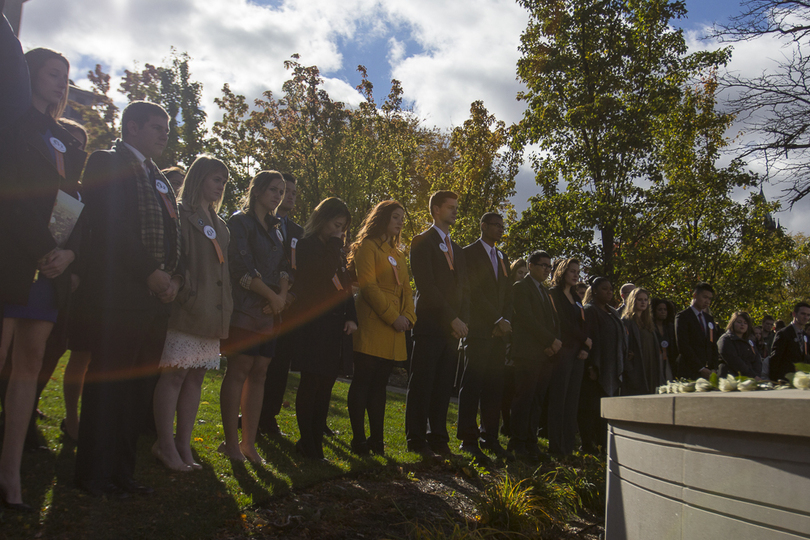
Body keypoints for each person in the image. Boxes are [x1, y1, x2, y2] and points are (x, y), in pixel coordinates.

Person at [76, 101, 181, 497]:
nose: (164, 134)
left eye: (167, 128)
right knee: (109, 387)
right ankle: (93, 474)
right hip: (118, 297)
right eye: (157, 127)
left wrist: (175, 276)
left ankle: (122, 473)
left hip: (155, 302)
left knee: (137, 390)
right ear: (131, 128)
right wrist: (150, 273)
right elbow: (110, 225)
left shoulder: (159, 178)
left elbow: (173, 233)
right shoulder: (106, 161)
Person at [0, 48, 84, 510]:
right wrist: (42, 249)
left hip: (51, 269)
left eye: (64, 77)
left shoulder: (69, 142)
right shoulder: (12, 127)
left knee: (30, 366)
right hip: (11, 260)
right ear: (29, 73)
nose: (60, 83)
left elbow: (76, 208)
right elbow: (9, 195)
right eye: (53, 74)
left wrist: (69, 253)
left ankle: (9, 473)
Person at [152, 155, 232, 471]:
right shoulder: (181, 214)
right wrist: (187, 294)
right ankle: (164, 443)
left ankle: (184, 446)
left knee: (196, 376)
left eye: (224, 182)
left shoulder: (221, 225)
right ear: (199, 179)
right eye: (216, 179)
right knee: (175, 375)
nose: (220, 186)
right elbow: (177, 257)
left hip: (212, 314)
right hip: (188, 309)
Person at [219, 171, 289, 463]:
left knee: (260, 371)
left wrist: (281, 297)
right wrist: (271, 297)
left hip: (269, 312)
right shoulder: (240, 221)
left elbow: (285, 266)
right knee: (240, 368)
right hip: (245, 308)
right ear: (257, 190)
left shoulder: (277, 227)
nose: (277, 195)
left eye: (281, 191)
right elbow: (240, 266)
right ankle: (231, 443)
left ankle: (250, 443)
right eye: (273, 189)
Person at [289, 198, 357, 460]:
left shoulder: (335, 249)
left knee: (326, 385)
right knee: (311, 383)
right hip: (312, 325)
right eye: (336, 225)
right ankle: (307, 441)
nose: (339, 231)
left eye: (343, 227)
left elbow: (345, 284)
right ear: (322, 220)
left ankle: (316, 441)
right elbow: (320, 273)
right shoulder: (307, 245)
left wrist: (352, 316)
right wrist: (335, 245)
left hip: (334, 327)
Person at [346, 200, 415, 456]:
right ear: (382, 218)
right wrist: (392, 316)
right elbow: (369, 286)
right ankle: (358, 439)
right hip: (373, 323)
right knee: (363, 381)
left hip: (394, 328)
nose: (399, 222)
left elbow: (407, 289)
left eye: (402, 218)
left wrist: (408, 316)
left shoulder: (398, 254)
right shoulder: (368, 246)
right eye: (395, 217)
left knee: (379, 386)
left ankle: (377, 440)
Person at [405, 191, 470, 457]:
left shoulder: (457, 248)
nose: (455, 211)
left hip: (453, 329)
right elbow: (426, 286)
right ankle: (417, 440)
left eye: (456, 207)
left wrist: (461, 320)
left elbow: (465, 288)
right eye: (450, 207)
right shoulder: (422, 241)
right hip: (431, 324)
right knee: (423, 383)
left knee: (444, 386)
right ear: (435, 210)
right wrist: (451, 318)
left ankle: (439, 439)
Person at [456, 212, 512, 462]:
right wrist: (495, 320)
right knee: (473, 384)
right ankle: (468, 439)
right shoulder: (468, 253)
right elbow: (473, 291)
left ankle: (489, 437)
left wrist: (506, 320)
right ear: (483, 226)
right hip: (479, 329)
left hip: (500, 334)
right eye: (496, 226)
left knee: (494, 387)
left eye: (503, 226)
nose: (501, 229)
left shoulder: (502, 256)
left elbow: (507, 293)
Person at [259, 172, 304, 438]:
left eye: (293, 193)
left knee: (279, 365)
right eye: (284, 190)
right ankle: (248, 413)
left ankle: (269, 416)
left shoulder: (299, 232)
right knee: (256, 363)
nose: (288, 196)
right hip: (261, 302)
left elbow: (299, 269)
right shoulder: (260, 223)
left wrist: (289, 297)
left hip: (288, 308)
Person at [507, 251, 560, 460]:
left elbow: (553, 321)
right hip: (528, 353)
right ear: (530, 265)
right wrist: (549, 341)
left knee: (537, 400)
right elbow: (527, 319)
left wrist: (553, 344)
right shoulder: (521, 287)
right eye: (543, 265)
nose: (547, 269)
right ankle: (517, 442)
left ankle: (531, 442)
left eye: (549, 266)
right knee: (524, 399)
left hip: (545, 355)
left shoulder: (545, 292)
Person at [547, 258, 591, 456]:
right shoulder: (554, 294)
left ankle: (568, 447)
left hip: (578, 354)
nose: (575, 275)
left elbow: (582, 322)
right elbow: (562, 322)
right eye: (572, 271)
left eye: (577, 271)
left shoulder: (576, 296)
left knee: (572, 400)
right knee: (559, 399)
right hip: (562, 352)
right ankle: (556, 447)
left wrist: (585, 346)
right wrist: (585, 338)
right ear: (562, 271)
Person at [580, 277, 625, 454]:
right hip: (596, 368)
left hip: (611, 366)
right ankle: (588, 444)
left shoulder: (611, 312)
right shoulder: (590, 310)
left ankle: (603, 443)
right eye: (604, 289)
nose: (609, 292)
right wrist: (591, 365)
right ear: (595, 290)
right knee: (590, 407)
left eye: (611, 289)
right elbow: (590, 337)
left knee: (604, 408)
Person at [500, 258, 528, 438]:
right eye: (520, 273)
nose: (523, 277)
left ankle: (511, 424)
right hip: (507, 344)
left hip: (521, 346)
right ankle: (505, 422)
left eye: (526, 274)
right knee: (506, 386)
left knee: (516, 387)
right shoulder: (507, 291)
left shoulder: (527, 293)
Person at [622, 287, 663, 394]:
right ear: (633, 301)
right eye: (640, 299)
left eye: (645, 300)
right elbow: (623, 346)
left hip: (651, 364)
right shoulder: (627, 321)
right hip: (637, 365)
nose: (643, 302)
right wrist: (629, 366)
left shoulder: (648, 321)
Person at [674, 283, 719, 380]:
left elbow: (713, 344)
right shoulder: (683, 317)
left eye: (709, 299)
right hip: (689, 369)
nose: (707, 301)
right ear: (695, 295)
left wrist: (714, 367)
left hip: (708, 371)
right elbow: (683, 345)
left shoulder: (709, 319)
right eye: (705, 297)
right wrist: (700, 368)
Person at [768, 302, 810, 381]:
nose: (806, 317)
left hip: (801, 380)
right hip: (785, 379)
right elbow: (775, 359)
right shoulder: (783, 334)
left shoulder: (805, 335)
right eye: (803, 314)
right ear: (794, 314)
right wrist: (774, 380)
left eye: (808, 315)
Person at [717, 311, 762, 379]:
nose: (742, 325)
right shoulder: (725, 340)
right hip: (730, 379)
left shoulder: (749, 341)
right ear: (732, 323)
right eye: (739, 322)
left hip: (750, 379)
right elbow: (734, 361)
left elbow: (756, 359)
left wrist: (756, 374)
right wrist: (752, 375)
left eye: (745, 323)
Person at [651, 298, 677, 382]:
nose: (663, 312)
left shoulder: (670, 327)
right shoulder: (650, 327)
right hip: (655, 360)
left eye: (665, 309)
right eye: (660, 309)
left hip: (669, 360)